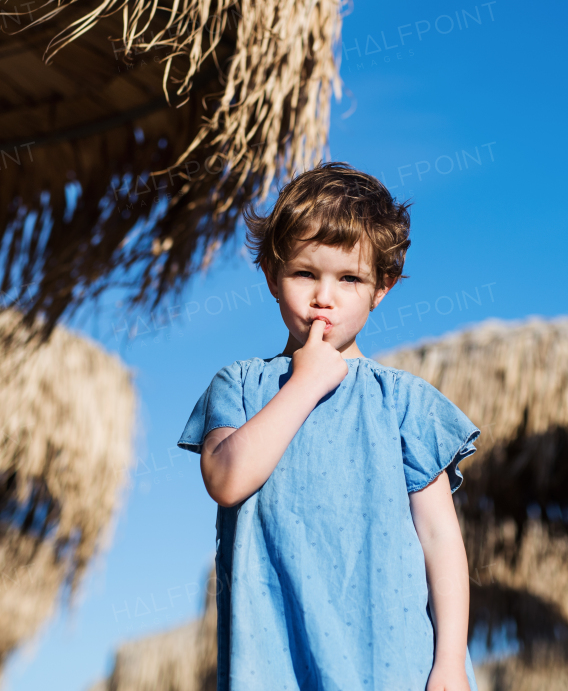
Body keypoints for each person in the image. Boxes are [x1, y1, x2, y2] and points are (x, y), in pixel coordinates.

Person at [177, 161, 481, 690]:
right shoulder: (240, 387)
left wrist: (450, 660)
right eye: (304, 274)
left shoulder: (403, 403)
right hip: (274, 664)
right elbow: (226, 480)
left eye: (349, 278)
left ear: (380, 287)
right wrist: (306, 382)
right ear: (272, 277)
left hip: (394, 666)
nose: (325, 296)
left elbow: (440, 538)